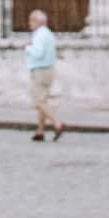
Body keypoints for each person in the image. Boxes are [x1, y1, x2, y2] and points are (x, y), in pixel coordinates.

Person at [24, 9, 64, 142]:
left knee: (39, 102)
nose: (29, 23)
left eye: (31, 20)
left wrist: (27, 47)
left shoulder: (39, 35)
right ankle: (40, 131)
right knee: (43, 101)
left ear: (37, 21)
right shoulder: (48, 34)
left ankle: (56, 123)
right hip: (48, 70)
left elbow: (38, 53)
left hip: (39, 70)